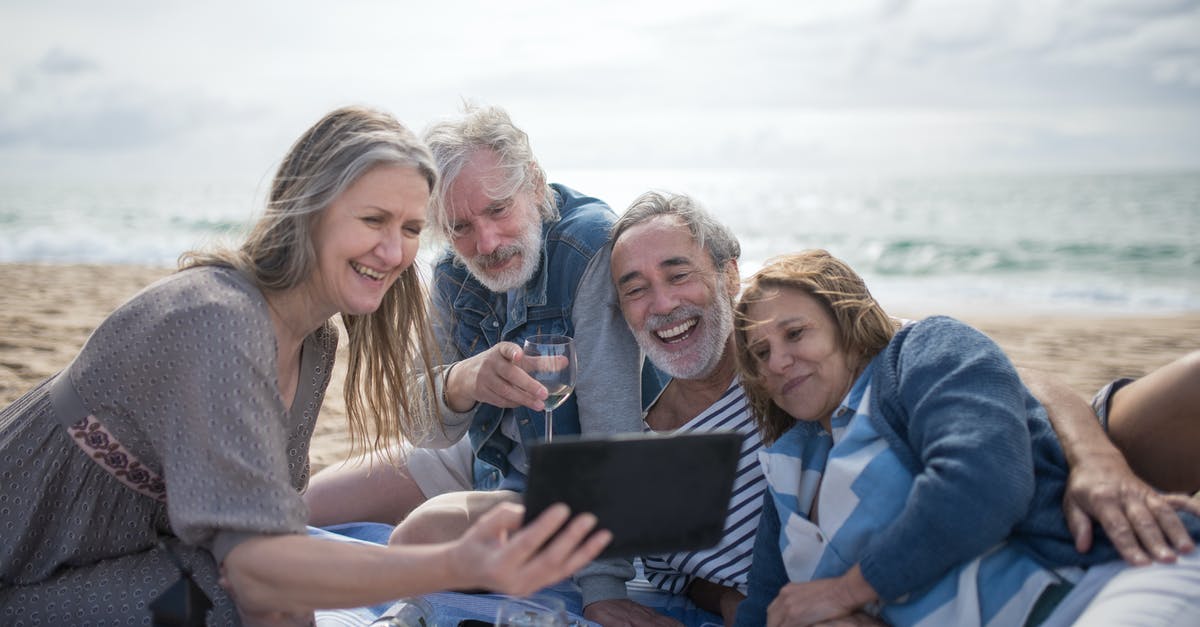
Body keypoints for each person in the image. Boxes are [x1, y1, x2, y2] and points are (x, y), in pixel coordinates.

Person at [0, 106, 611, 625]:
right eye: (372, 220)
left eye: (409, 228)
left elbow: (266, 561)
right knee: (233, 591)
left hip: (129, 556)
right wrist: (453, 564)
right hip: (29, 567)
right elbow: (259, 573)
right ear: (309, 209)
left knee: (235, 588)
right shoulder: (217, 318)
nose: (395, 252)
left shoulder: (314, 343)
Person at [303, 104, 656, 621]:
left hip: (565, 484)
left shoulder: (590, 250)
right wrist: (462, 381)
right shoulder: (453, 270)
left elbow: (613, 429)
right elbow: (418, 423)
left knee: (418, 537)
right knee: (300, 507)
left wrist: (604, 588)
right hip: (483, 457)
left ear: (533, 183)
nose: (485, 243)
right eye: (460, 226)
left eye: (497, 210)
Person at [731, 250, 1200, 626]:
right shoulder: (790, 468)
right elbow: (766, 606)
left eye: (795, 333)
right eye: (762, 352)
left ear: (846, 326)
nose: (778, 362)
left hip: (1090, 592)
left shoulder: (919, 354)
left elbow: (984, 482)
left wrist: (844, 592)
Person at [607, 191, 765, 626]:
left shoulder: (788, 377)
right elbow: (680, 578)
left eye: (678, 276)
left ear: (729, 276)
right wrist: (731, 600)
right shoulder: (643, 453)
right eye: (636, 290)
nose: (662, 305)